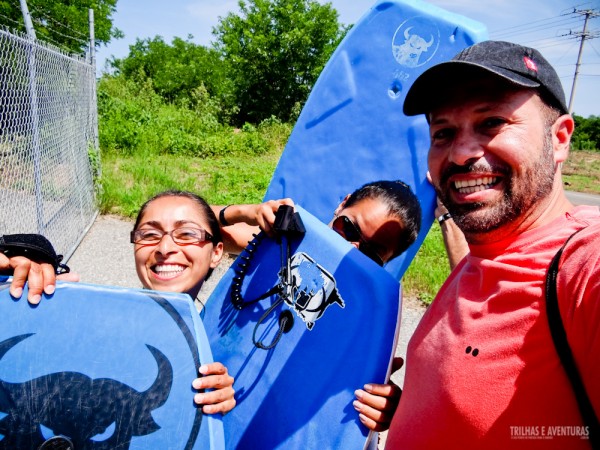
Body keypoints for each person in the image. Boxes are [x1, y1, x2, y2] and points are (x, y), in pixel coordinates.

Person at [383, 40, 600, 449]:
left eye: (492, 123)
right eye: (443, 132)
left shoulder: (584, 265)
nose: (462, 153)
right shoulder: (484, 257)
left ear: (560, 139)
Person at [2, 190, 236, 415]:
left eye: (187, 234)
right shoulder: (77, 317)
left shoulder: (218, 342)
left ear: (216, 253)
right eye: (150, 234)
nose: (165, 248)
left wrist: (212, 409)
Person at [213, 179, 423, 266]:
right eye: (348, 228)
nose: (350, 248)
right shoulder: (290, 241)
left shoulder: (365, 309)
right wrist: (241, 211)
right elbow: (191, 225)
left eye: (370, 253)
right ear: (342, 205)